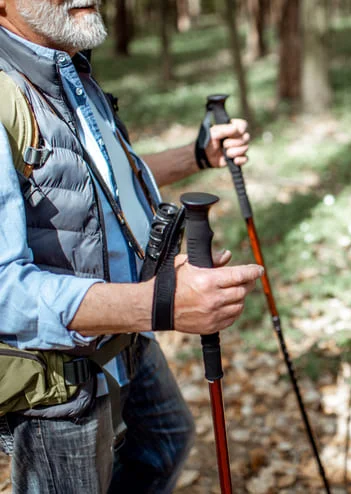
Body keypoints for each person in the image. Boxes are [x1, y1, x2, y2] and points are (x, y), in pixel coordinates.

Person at [0, 0, 264, 492]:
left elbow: (104, 178)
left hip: (125, 338)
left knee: (165, 440)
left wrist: (197, 155)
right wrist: (161, 304)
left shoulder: (69, 70)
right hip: (59, 382)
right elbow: (3, 292)